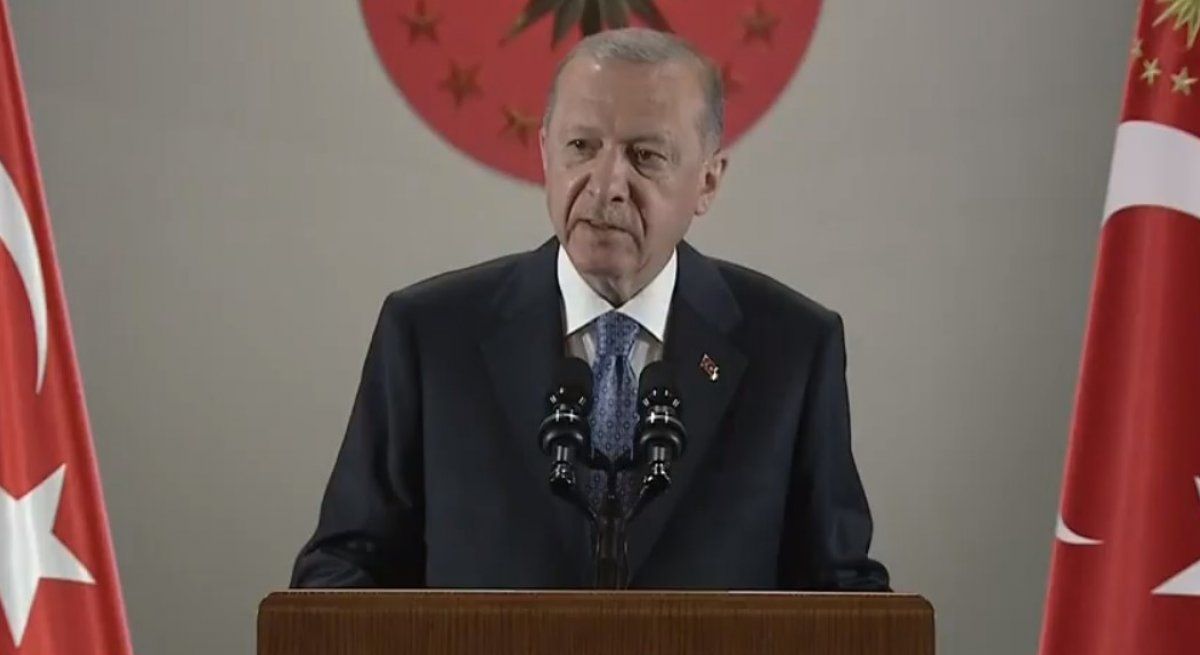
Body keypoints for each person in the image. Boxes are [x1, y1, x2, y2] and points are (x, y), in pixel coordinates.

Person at [291, 27, 889, 590]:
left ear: (708, 181)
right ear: (545, 154)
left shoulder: (792, 350)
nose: (606, 186)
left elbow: (844, 600)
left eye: (645, 155)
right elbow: (339, 574)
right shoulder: (429, 337)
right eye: (581, 147)